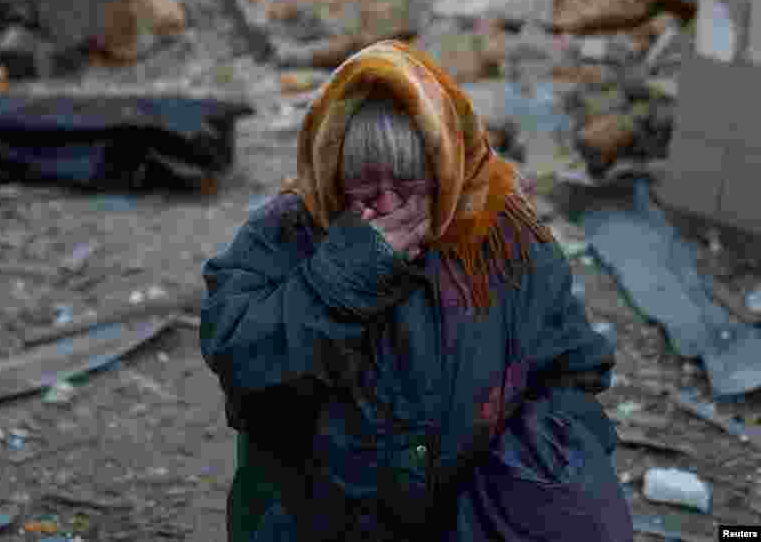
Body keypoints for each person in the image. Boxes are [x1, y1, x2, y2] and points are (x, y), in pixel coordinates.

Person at [199, 40, 634, 542]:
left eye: (407, 183)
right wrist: (350, 270)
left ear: (445, 167)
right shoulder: (289, 230)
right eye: (362, 183)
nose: (385, 203)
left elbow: (573, 371)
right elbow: (240, 360)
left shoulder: (504, 237)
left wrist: (522, 477)